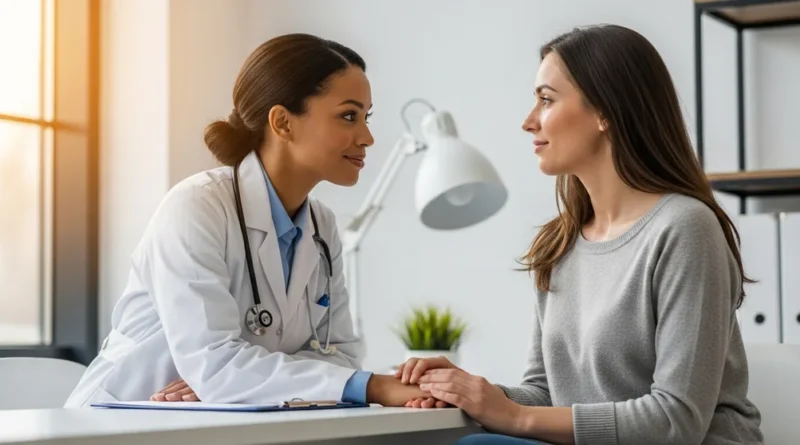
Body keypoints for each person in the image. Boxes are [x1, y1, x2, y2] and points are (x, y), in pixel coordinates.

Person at [396, 25, 764, 445]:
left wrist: (513, 417)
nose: (528, 121)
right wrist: (474, 393)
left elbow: (676, 421)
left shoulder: (684, 228)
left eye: (546, 100)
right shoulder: (561, 243)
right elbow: (546, 393)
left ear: (605, 111)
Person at [65, 34, 428, 408]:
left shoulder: (322, 226)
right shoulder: (197, 207)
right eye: (349, 116)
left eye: (366, 117)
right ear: (283, 122)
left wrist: (243, 380)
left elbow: (341, 357)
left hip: (228, 420)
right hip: (120, 419)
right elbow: (216, 365)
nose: (367, 137)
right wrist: (375, 387)